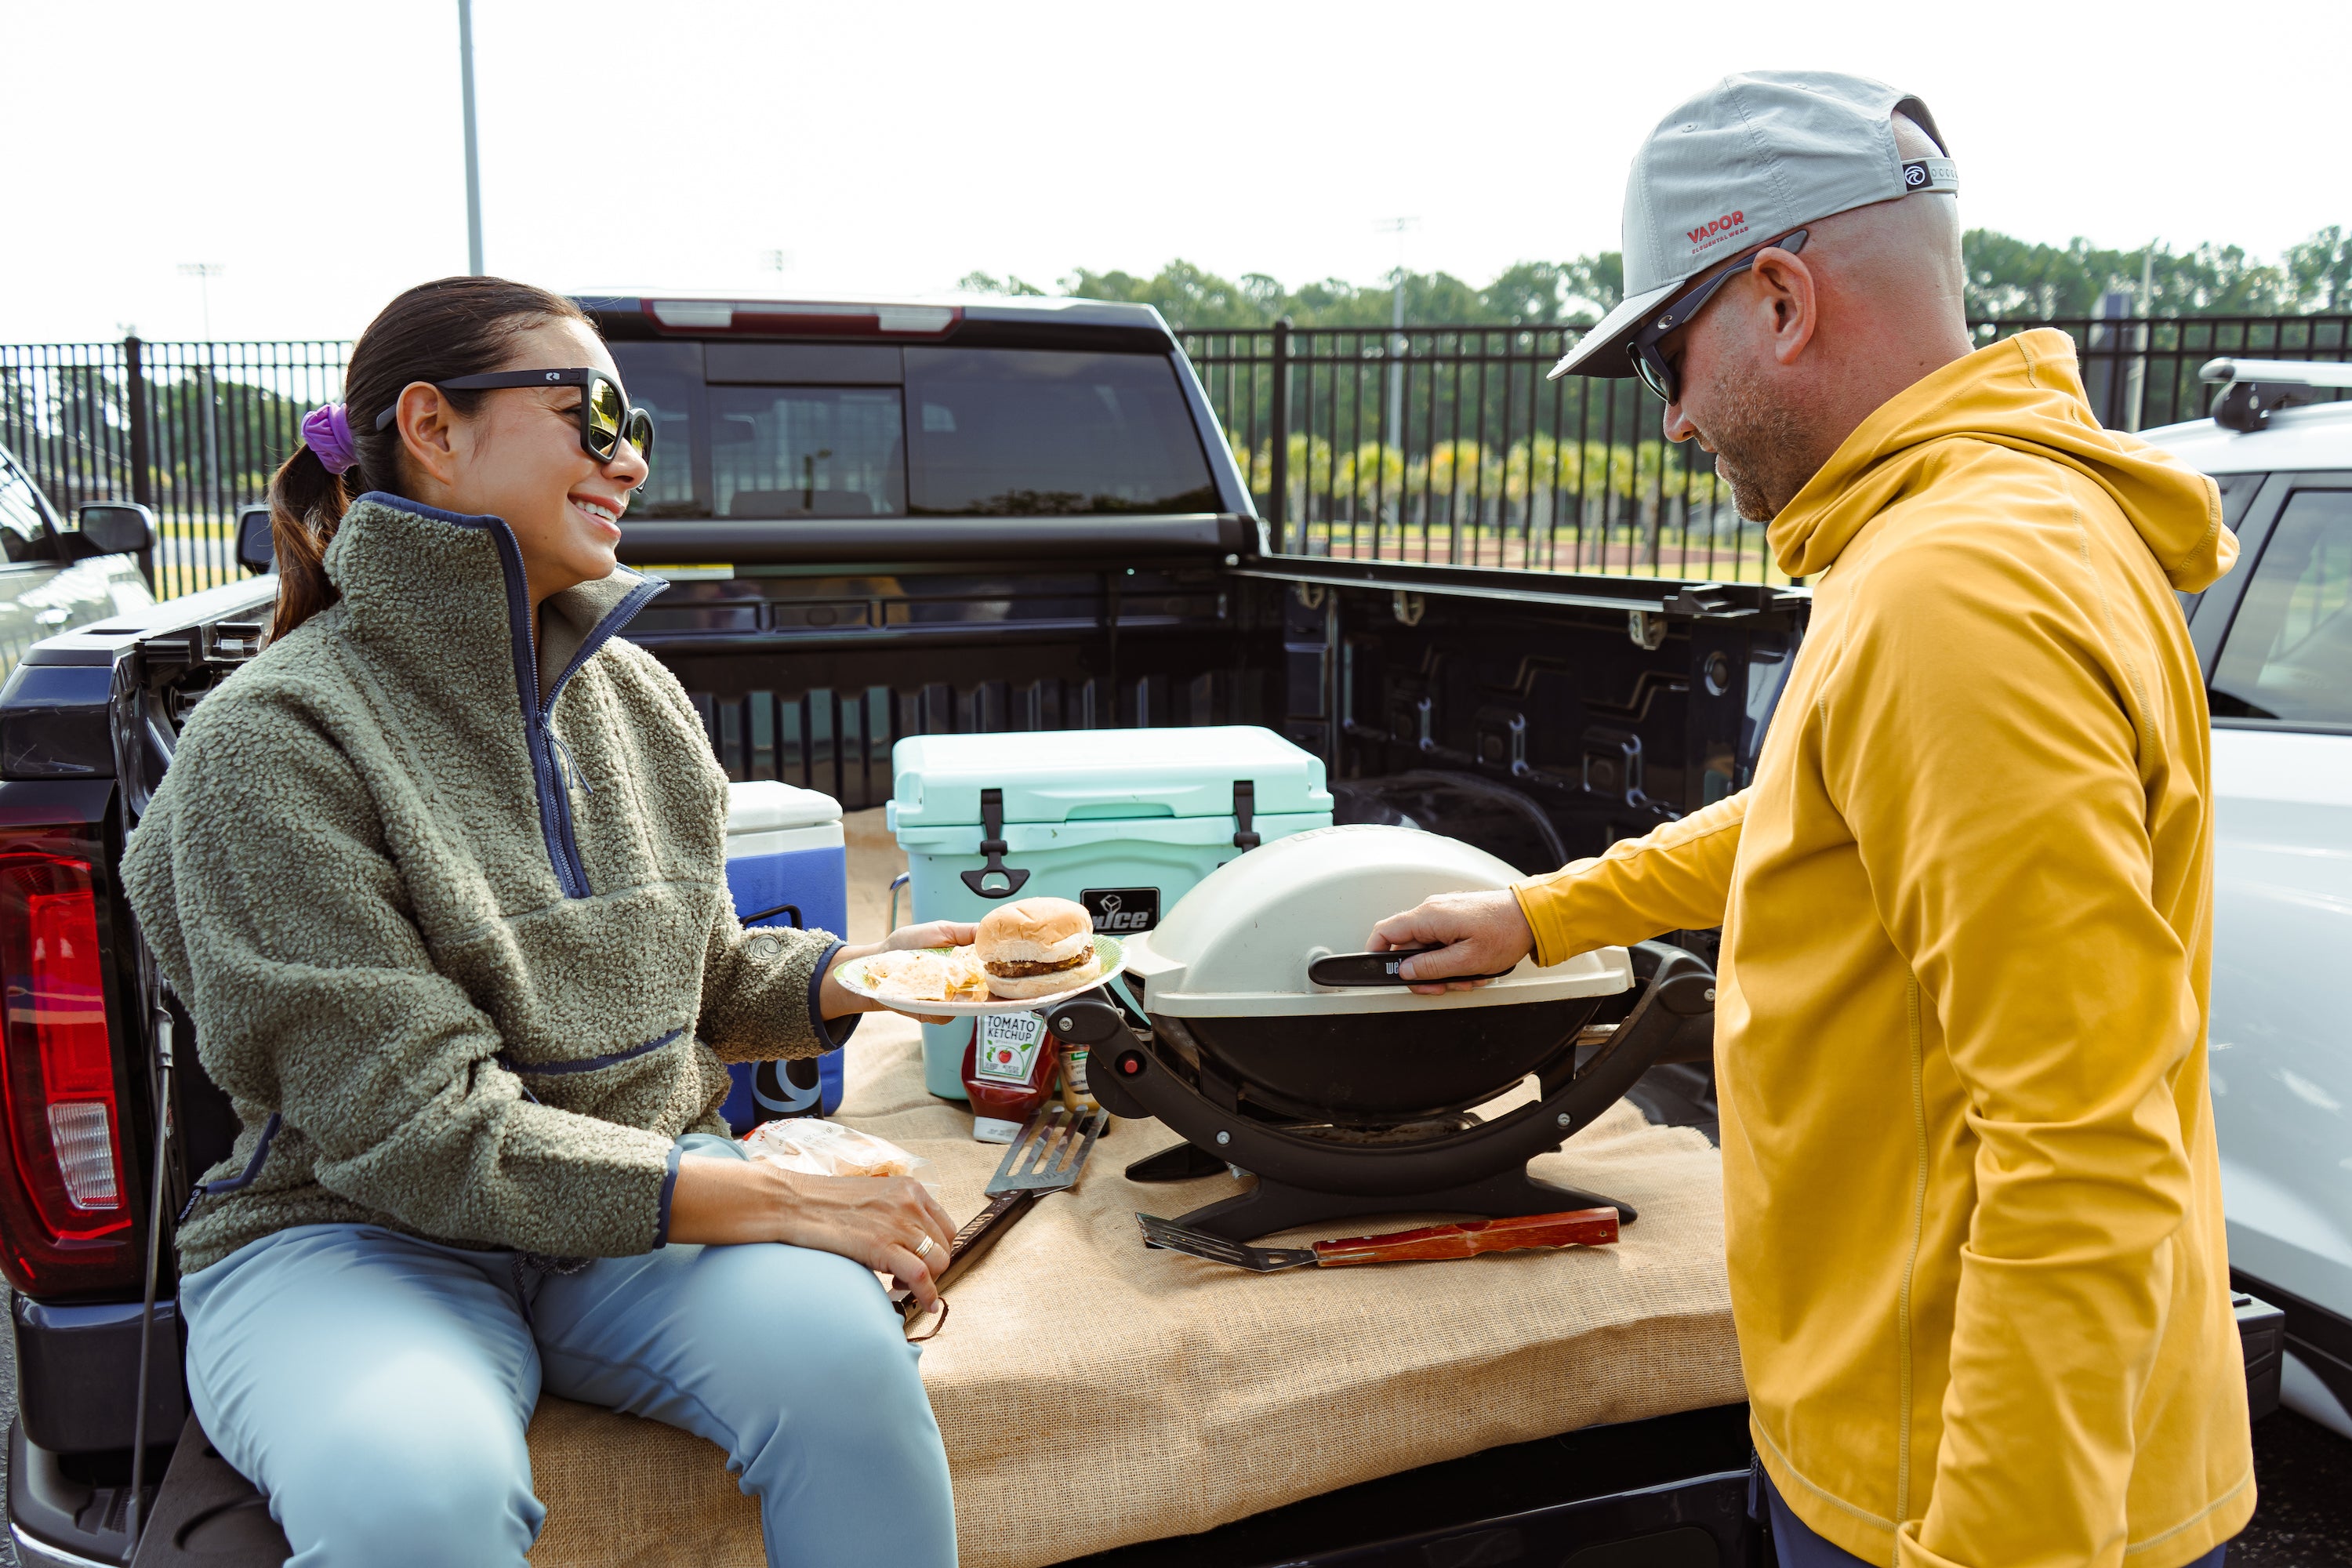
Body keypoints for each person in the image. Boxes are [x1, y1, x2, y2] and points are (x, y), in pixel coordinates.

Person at [1369, 72, 2249, 1568]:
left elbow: (2081, 1146)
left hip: (1969, 1488)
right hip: (1967, 1441)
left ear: (1779, 296)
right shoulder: (2004, 525)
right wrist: (1548, 913)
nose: (1679, 419)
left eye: (1668, 354)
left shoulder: (1951, 587)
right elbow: (1818, 818)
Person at [124, 276, 969, 1566]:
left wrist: (873, 974)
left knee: (850, 1374)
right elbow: (417, 1134)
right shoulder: (272, 743)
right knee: (417, 1497)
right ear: (434, 425)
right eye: (594, 413)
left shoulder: (634, 694)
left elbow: (696, 981)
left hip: (631, 1233)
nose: (628, 459)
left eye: (636, 429)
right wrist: (773, 1196)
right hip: (354, 1239)